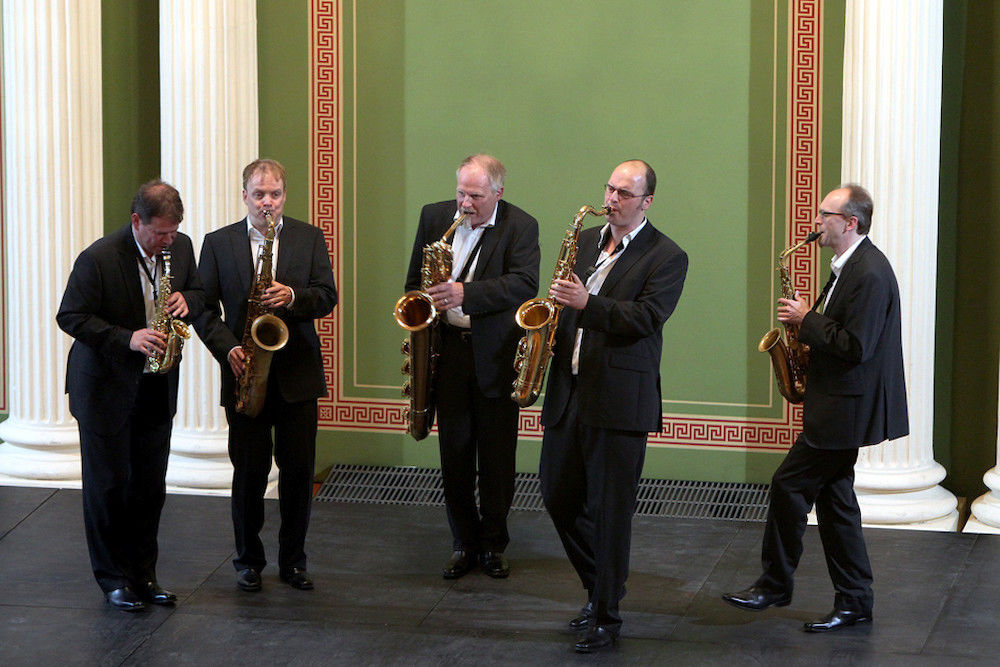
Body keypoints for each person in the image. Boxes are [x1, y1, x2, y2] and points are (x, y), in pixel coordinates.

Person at [722, 184, 908, 632]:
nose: (816, 221)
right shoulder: (850, 266)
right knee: (836, 501)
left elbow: (857, 345)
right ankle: (855, 599)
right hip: (838, 401)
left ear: (851, 223)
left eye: (825, 214)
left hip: (844, 408)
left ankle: (775, 584)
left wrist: (806, 320)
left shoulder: (868, 273)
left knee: (788, 485)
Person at [539, 160, 688, 653]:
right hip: (571, 392)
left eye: (626, 193)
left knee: (610, 512)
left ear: (646, 202)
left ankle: (607, 615)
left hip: (620, 400)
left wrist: (587, 305)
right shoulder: (584, 243)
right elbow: (567, 305)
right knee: (559, 496)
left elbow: (646, 317)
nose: (613, 199)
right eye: (610, 188)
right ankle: (600, 587)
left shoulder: (667, 256)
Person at [57, 180, 204, 611]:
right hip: (105, 389)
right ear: (136, 221)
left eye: (173, 232)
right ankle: (113, 579)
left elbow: (198, 291)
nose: (168, 241)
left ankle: (144, 574)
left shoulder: (181, 247)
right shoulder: (99, 258)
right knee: (107, 488)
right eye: (160, 233)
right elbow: (71, 316)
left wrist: (186, 300)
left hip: (156, 386)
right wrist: (127, 338)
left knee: (149, 487)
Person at [194, 159, 337, 593]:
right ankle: (247, 561)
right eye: (259, 194)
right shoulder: (217, 243)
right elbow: (202, 308)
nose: (267, 203)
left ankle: (293, 561)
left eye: (274, 194)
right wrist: (228, 349)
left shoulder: (308, 237)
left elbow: (327, 296)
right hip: (245, 372)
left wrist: (293, 296)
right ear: (244, 196)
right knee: (249, 474)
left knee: (298, 474)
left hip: (296, 376)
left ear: (284, 196)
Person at [404, 154, 540, 580]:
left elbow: (524, 283)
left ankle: (494, 545)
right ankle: (463, 542)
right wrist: (424, 302)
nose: (464, 203)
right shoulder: (434, 217)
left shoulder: (521, 225)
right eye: (461, 192)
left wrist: (467, 294)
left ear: (498, 193)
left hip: (495, 355)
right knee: (455, 453)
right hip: (447, 353)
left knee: (497, 458)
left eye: (475, 196)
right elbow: (413, 279)